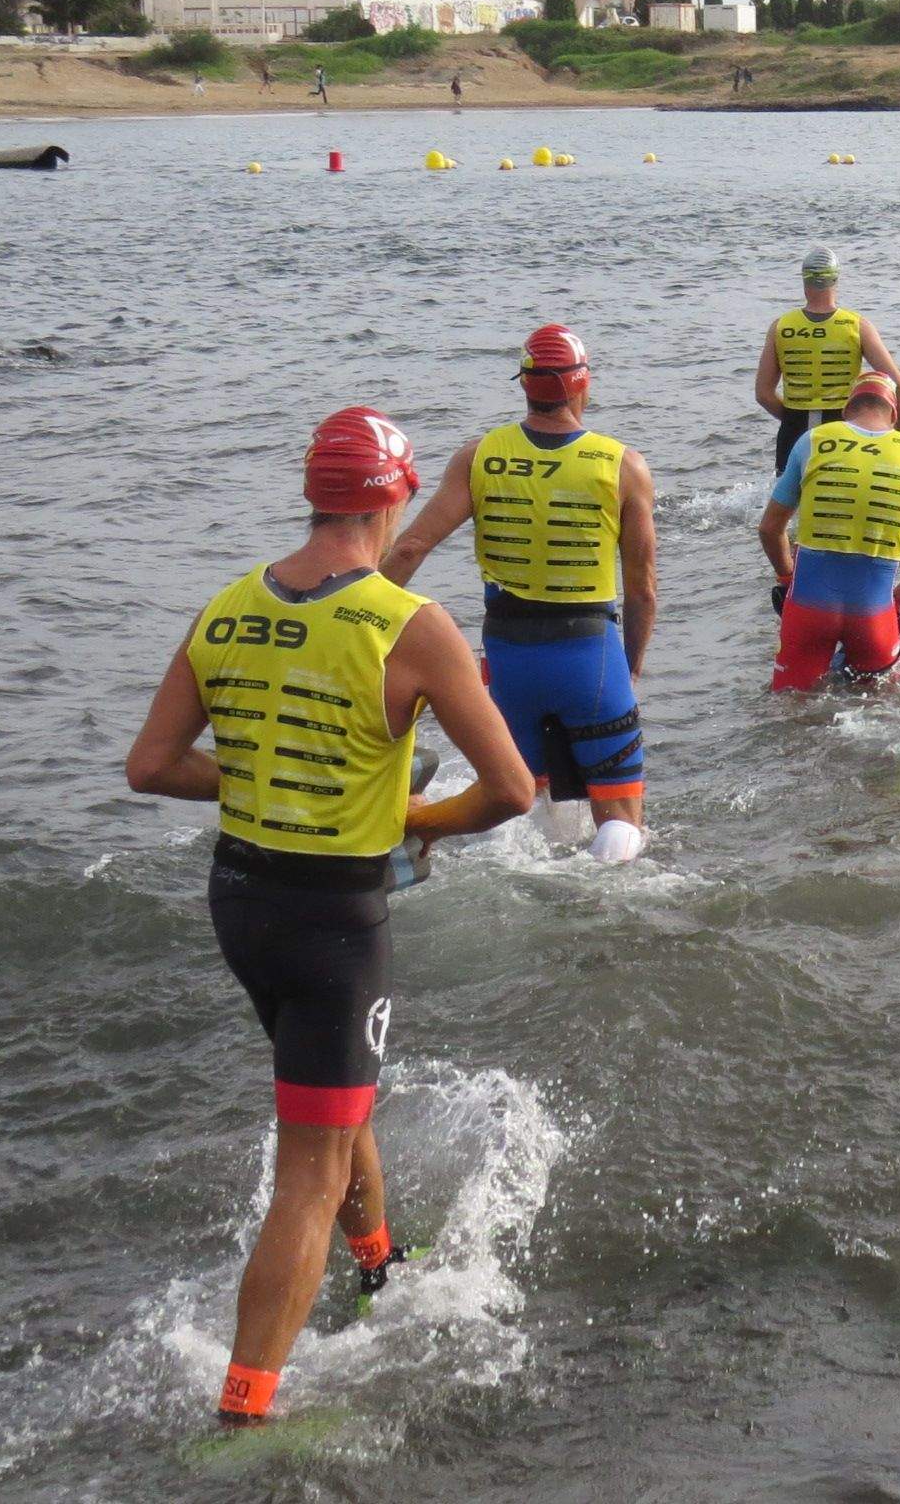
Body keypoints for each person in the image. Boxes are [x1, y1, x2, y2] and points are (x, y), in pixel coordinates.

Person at [123, 408, 535, 1428]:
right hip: (334, 922)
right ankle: (245, 1406)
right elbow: (513, 790)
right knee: (309, 1159)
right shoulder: (410, 623)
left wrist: (270, 773)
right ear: (391, 497)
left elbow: (152, 765)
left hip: (240, 902)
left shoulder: (224, 607)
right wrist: (421, 818)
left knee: (336, 1099)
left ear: (316, 496)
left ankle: (379, 1258)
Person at [383, 326, 660, 863]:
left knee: (508, 804)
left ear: (525, 385)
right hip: (590, 659)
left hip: (509, 662)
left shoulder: (480, 455)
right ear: (584, 386)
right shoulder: (622, 464)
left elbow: (412, 546)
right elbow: (642, 589)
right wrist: (631, 668)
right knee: (622, 823)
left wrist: (351, 614)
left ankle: (419, 831)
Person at [759, 370, 900, 691]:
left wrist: (786, 580)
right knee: (879, 713)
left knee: (789, 711)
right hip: (874, 616)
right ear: (894, 415)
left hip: (807, 611)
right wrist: (894, 604)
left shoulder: (813, 441)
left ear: (847, 410)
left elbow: (770, 529)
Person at [754, 248, 900, 475]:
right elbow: (898, 385)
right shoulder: (856, 326)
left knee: (787, 502)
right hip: (843, 430)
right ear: (836, 280)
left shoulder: (781, 327)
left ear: (804, 280)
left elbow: (763, 394)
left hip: (794, 431)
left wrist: (792, 417)